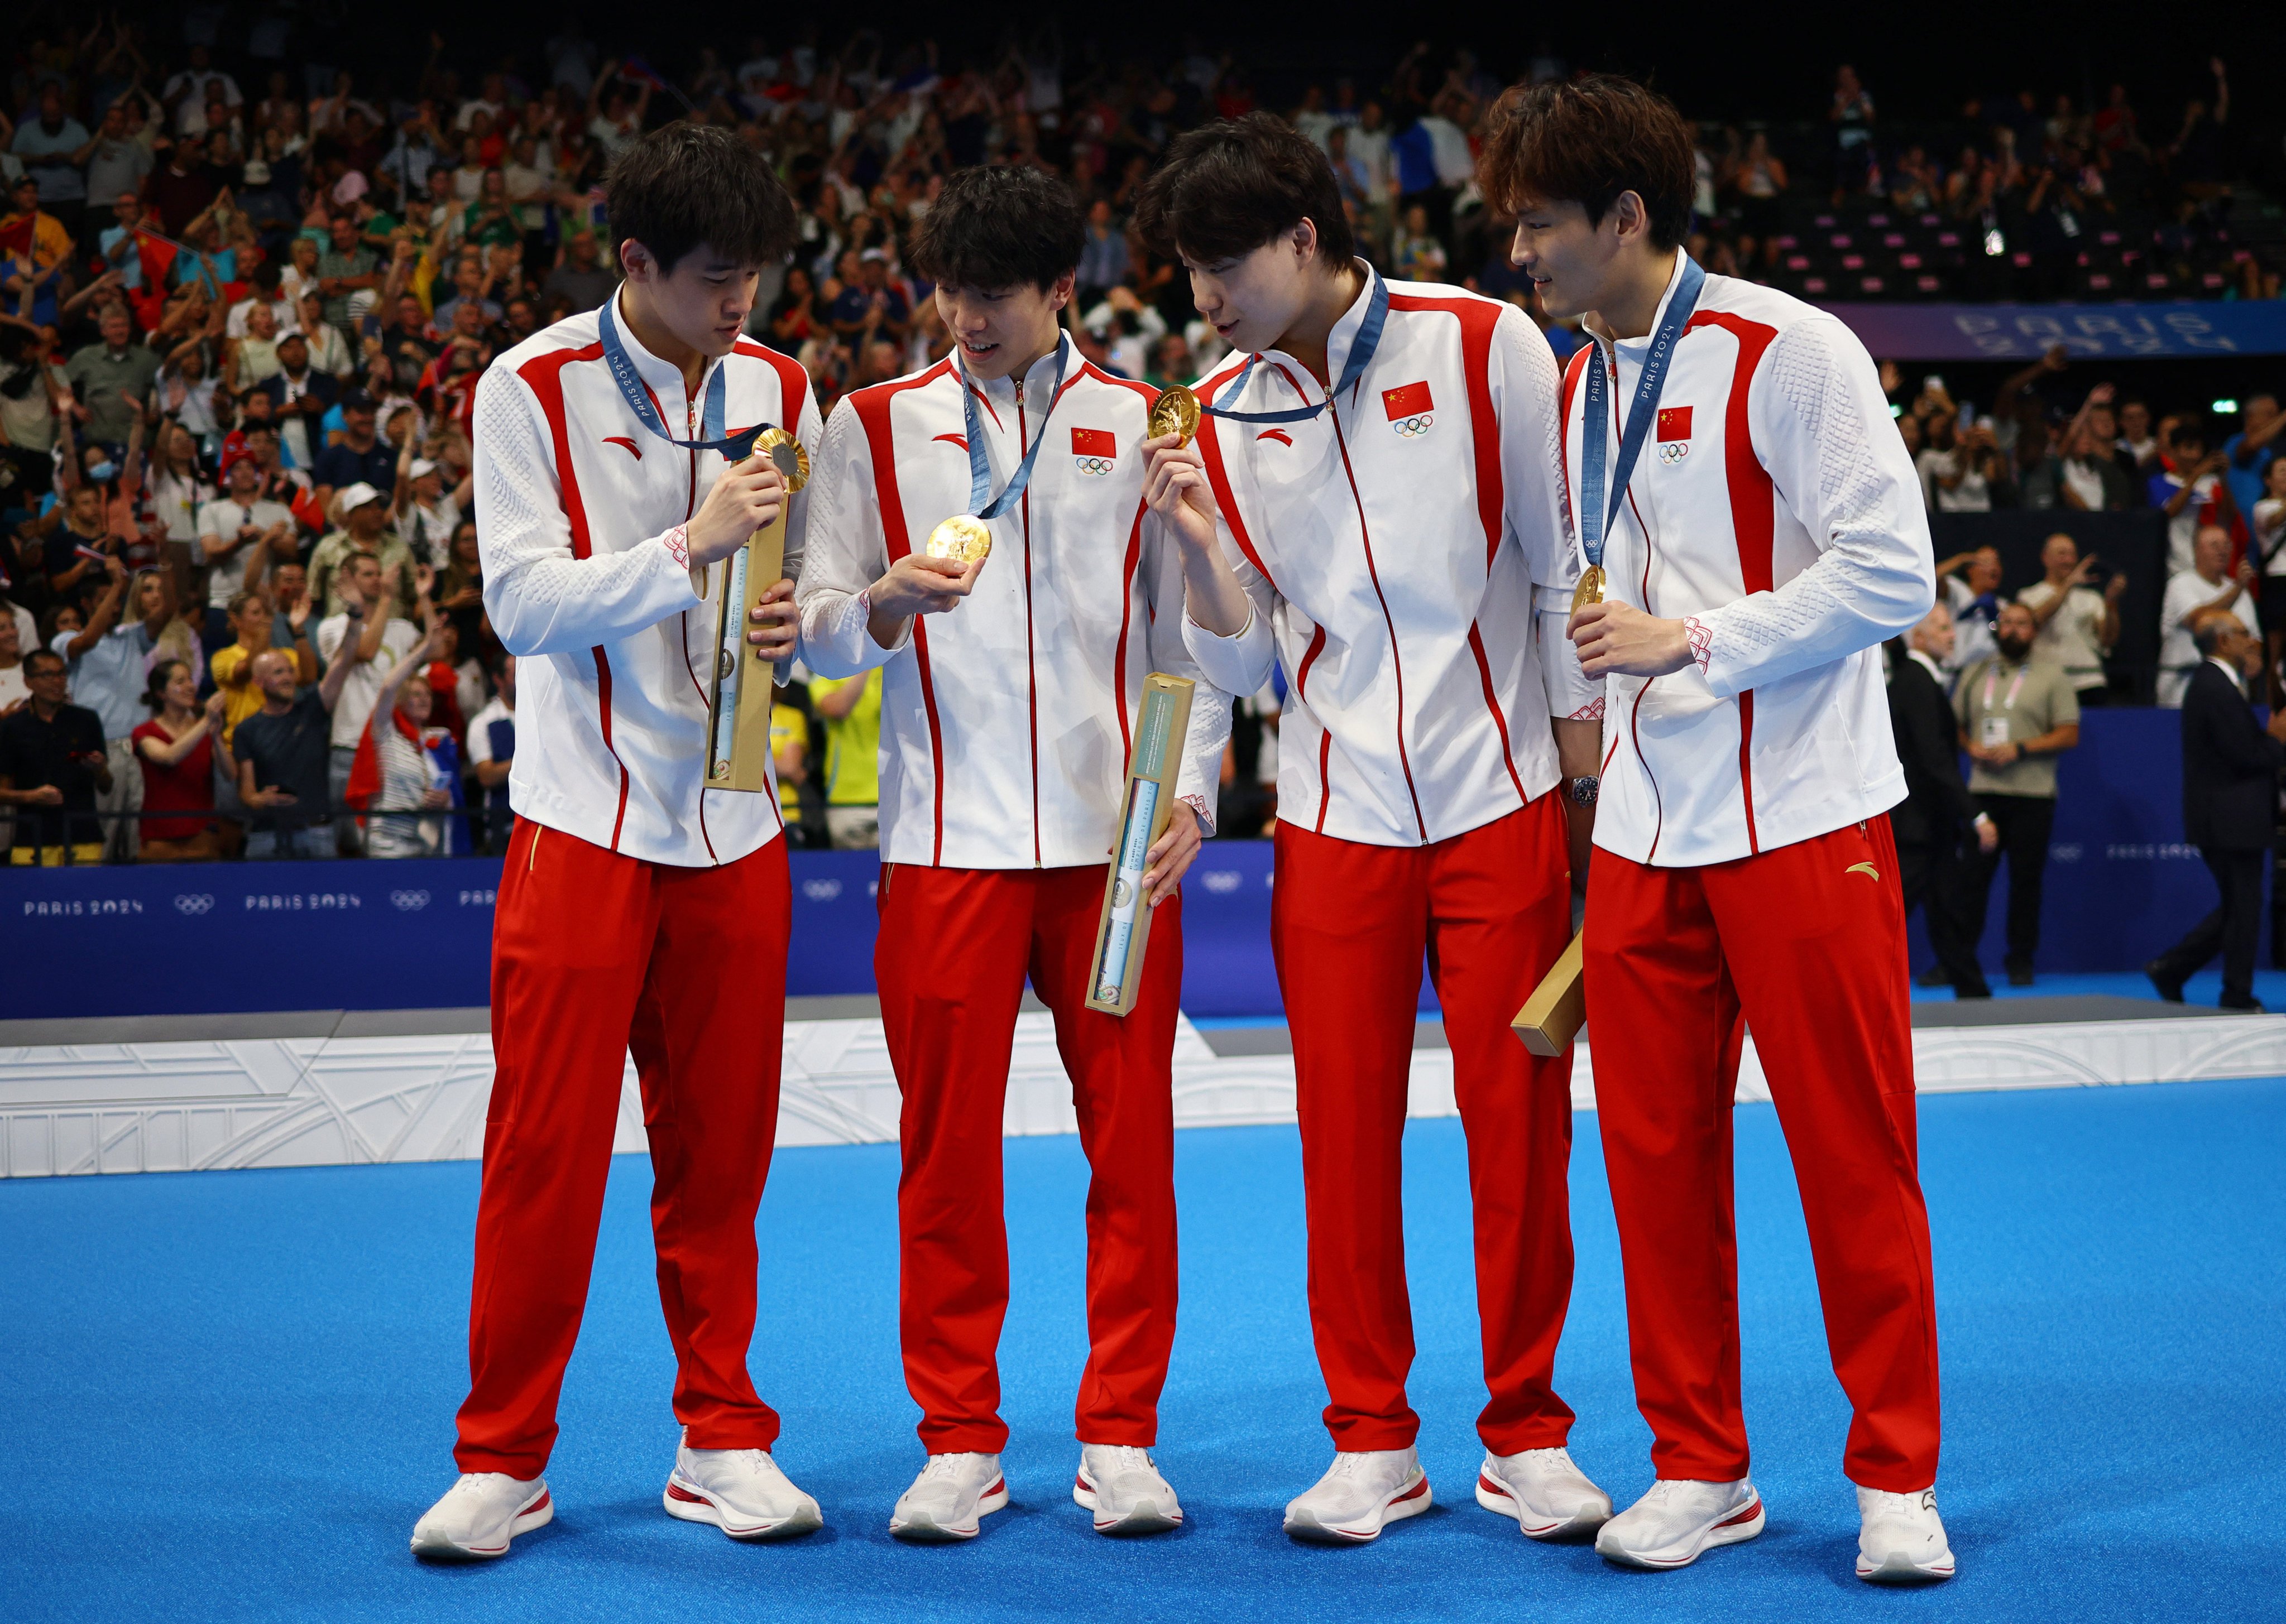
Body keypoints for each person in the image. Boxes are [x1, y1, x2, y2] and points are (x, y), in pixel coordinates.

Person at [1482, 74, 1952, 1580]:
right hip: (1640, 836)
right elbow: (1579, 611)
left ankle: (1892, 1471)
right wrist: (1581, 781)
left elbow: (1892, 574)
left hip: (1806, 817)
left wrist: (1697, 641)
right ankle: (1698, 1462)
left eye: (1539, 223)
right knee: (1653, 1164)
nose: (1521, 255)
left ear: (1625, 216)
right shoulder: (1572, 388)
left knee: (1850, 1154)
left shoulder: (1787, 347)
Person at [1135, 113, 1607, 1546]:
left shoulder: (1485, 346)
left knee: (1516, 1128)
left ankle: (1526, 1429)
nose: (1203, 299)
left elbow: (1558, 570)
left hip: (1501, 798)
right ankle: (1371, 1436)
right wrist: (1211, 568)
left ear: (1305, 238)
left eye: (1224, 266)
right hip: (1334, 817)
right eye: (1187, 273)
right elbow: (1242, 662)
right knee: (1341, 1135)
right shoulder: (1212, 411)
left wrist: (1589, 794)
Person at [797, 163, 1229, 1544]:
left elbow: (1198, 640)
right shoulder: (869, 429)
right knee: (944, 1152)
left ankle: (1120, 1435)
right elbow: (804, 634)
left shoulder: (1150, 421)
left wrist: (1197, 792)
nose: (969, 319)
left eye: (997, 296)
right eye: (953, 293)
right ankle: (959, 1440)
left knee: (1135, 1149)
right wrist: (879, 600)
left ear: (1062, 292)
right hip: (945, 849)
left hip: (1112, 854)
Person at [411, 122, 825, 1560]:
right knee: (548, 1149)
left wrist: (810, 615)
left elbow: (806, 591)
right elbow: (521, 607)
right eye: (717, 276)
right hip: (582, 823)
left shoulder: (781, 383)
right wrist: (692, 547)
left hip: (733, 821)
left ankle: (721, 1436)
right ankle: (504, 1457)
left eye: (759, 274)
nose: (744, 305)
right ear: (635, 261)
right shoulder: (525, 385)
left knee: (723, 1155)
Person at [2148, 612, 2284, 1011]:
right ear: (2223, 642)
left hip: (2229, 817)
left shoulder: (2220, 684)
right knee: (2242, 908)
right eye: (2243, 634)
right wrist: (2276, 742)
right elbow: (2242, 754)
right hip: (2229, 819)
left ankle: (2172, 968)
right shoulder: (2214, 687)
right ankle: (2233, 992)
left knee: (2239, 907)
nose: (2251, 640)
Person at [1945, 600, 2081, 994]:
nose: (2012, 630)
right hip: (1982, 793)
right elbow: (1951, 726)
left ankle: (2020, 960)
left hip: (2032, 794)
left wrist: (2020, 749)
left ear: (2033, 631)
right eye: (2006, 623)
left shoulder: (2051, 675)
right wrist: (1969, 745)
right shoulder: (1974, 673)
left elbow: (2068, 733)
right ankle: (1957, 960)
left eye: (2021, 624)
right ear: (1996, 629)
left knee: (2025, 883)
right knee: (1970, 882)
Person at [1887, 604, 1996, 974]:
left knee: (1947, 911)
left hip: (1930, 827)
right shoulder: (1915, 681)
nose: (1952, 636)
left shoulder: (1917, 679)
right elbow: (1933, 758)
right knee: (1891, 915)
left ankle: (1972, 990)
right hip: (1917, 826)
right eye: (1944, 629)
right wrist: (1976, 814)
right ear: (1919, 637)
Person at [53, 555, 162, 861]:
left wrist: (164, 557)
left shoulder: (131, 637)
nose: (114, 606)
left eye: (116, 599)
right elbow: (88, 640)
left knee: (136, 834)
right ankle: (96, 896)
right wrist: (117, 585)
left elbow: (166, 612)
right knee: (104, 830)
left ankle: (135, 898)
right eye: (104, 600)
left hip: (140, 747)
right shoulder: (66, 640)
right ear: (86, 604)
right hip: (102, 748)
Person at [314, 552, 421, 853]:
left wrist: (425, 598)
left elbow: (435, 649)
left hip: (391, 746)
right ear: (347, 580)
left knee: (385, 841)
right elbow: (366, 650)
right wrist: (386, 599)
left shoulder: (401, 627)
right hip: (349, 743)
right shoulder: (332, 627)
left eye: (379, 573)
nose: (378, 579)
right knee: (349, 842)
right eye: (368, 574)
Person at [234, 636, 361, 859]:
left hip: (317, 832)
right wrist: (261, 799)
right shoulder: (247, 730)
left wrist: (355, 616)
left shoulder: (314, 711)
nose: (288, 678)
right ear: (258, 682)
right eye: (278, 673)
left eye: (290, 671)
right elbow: (247, 793)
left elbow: (344, 661)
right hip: (267, 835)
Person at [0, 648, 112, 863]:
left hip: (83, 835)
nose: (58, 681)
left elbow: (106, 786)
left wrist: (100, 770)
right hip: (32, 838)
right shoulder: (13, 727)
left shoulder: (86, 720)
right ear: (28, 682)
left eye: (62, 674)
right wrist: (30, 797)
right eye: (48, 675)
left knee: (85, 896)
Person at [131, 659, 228, 862]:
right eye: (180, 681)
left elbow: (230, 774)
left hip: (202, 836)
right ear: (161, 693)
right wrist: (206, 721)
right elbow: (169, 757)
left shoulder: (204, 729)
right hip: (160, 838)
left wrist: (216, 736)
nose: (190, 686)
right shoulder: (144, 733)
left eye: (190, 680)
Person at [2017, 533, 2125, 707]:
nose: (2069, 560)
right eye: (2062, 554)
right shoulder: (2029, 596)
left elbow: (2108, 639)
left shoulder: (2092, 598)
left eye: (2072, 555)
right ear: (2045, 558)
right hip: (2048, 682)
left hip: (2089, 682)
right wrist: (2069, 584)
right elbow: (2035, 621)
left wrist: (2112, 602)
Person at [2159, 526, 2260, 708]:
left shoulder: (2242, 594)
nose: (2222, 550)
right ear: (2196, 550)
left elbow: (2254, 637)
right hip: (2182, 692)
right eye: (2214, 545)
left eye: (2226, 545)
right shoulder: (2181, 584)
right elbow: (2200, 620)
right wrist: (2237, 589)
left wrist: (2254, 656)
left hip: (2232, 694)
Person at [806, 667, 880, 848]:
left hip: (892, 797)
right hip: (846, 798)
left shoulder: (894, 667)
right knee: (850, 873)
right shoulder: (825, 668)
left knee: (894, 875)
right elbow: (837, 708)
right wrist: (870, 660)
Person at [463, 654, 515, 853]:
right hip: (503, 828)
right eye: (514, 673)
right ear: (498, 679)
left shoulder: (540, 718)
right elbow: (486, 776)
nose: (521, 679)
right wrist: (526, 760)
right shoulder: (483, 723)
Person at [1934, 545, 2002, 685]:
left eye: (1997, 563)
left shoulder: (2003, 606)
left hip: (1984, 678)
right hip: (1952, 676)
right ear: (1971, 570)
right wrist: (1963, 559)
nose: (1994, 568)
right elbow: (1933, 579)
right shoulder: (1958, 592)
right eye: (1986, 563)